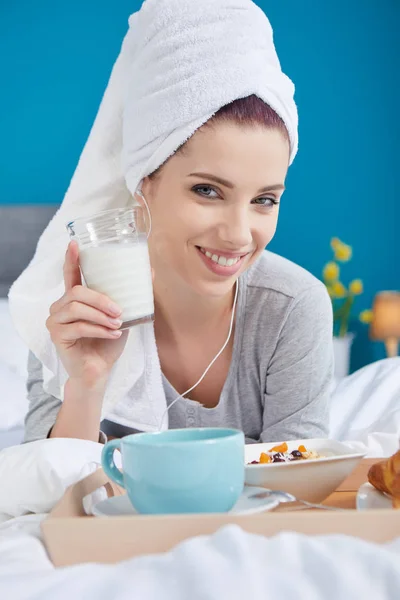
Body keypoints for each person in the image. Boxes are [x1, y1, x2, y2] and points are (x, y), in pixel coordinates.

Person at [11, 0, 333, 445]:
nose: (239, 235)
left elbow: (300, 486)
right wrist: (87, 384)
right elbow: (51, 502)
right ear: (145, 184)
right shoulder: (73, 308)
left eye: (264, 199)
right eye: (207, 191)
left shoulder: (290, 308)